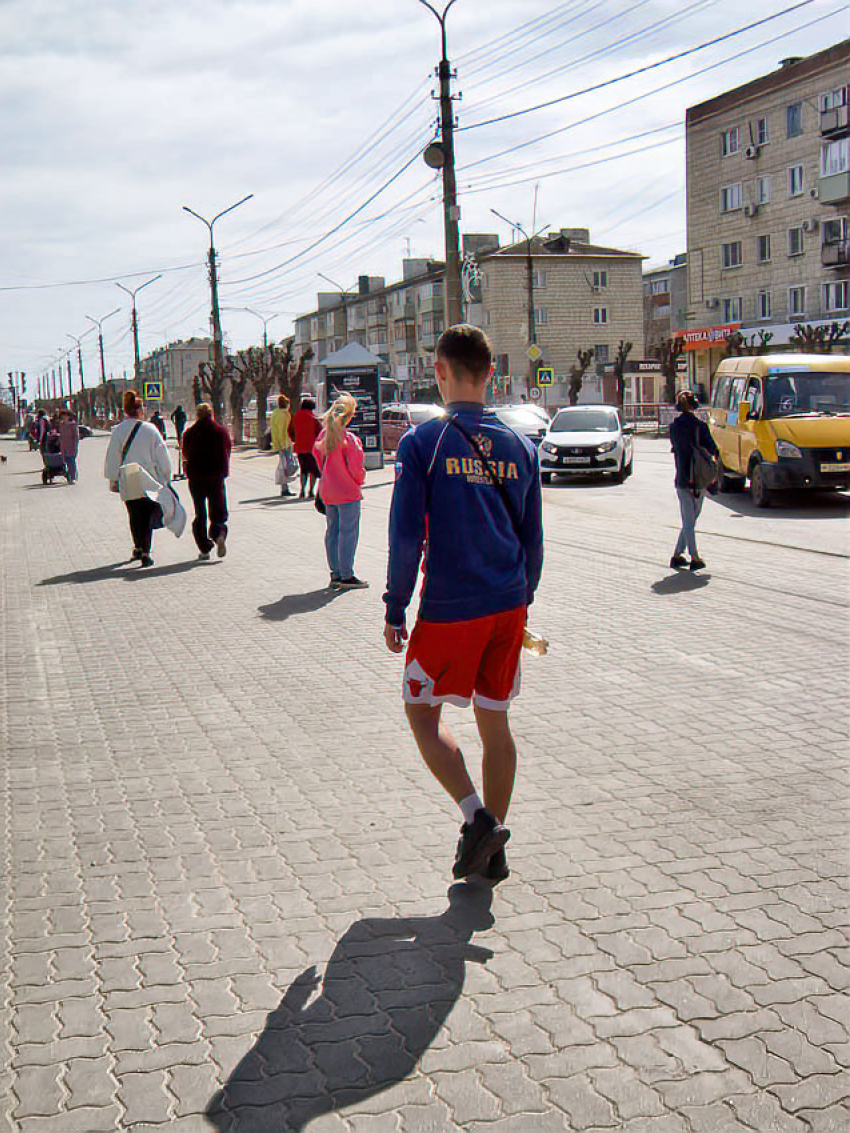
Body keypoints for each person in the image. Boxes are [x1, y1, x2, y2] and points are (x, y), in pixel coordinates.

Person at [383, 325, 544, 885]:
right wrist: (523, 604)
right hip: (508, 604)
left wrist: (394, 606)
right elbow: (533, 538)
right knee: (494, 720)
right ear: (492, 373)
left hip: (452, 606)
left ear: (440, 373)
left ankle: (478, 819)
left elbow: (405, 538)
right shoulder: (522, 445)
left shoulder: (422, 443)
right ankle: (492, 847)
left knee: (421, 713)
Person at [104, 390, 172, 568]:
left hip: (129, 478)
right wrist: (166, 475)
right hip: (149, 478)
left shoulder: (119, 430)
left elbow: (113, 456)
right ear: (140, 409)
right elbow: (161, 454)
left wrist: (113, 479)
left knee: (135, 515)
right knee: (148, 514)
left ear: (125, 410)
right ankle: (146, 551)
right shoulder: (151, 429)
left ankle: (139, 547)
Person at [314, 393, 367, 590]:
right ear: (349, 416)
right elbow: (356, 469)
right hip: (347, 491)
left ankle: (335, 572)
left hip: (328, 491)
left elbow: (319, 461)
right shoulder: (350, 440)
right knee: (349, 532)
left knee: (332, 531)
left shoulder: (323, 437)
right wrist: (360, 480)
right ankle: (347, 574)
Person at [669, 388, 719, 572]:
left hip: (682, 477)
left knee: (688, 520)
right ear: (695, 405)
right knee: (691, 520)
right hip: (698, 478)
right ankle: (695, 557)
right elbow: (713, 449)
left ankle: (677, 555)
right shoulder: (700, 427)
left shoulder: (674, 427)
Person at [181, 403, 232, 561]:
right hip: (216, 477)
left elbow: (186, 453)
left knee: (200, 513)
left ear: (197, 415)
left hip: (196, 478)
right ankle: (219, 534)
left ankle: (204, 547)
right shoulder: (221, 432)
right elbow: (228, 450)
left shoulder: (190, 433)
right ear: (212, 415)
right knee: (218, 510)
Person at [289, 396, 322, 498]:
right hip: (312, 448)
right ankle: (311, 490)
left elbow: (290, 430)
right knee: (314, 470)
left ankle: (302, 490)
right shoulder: (313, 418)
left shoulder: (295, 417)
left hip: (299, 447)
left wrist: (295, 439)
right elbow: (319, 431)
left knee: (304, 469)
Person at [269, 394, 294, 497]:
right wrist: (284, 444)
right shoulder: (283, 415)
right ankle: (284, 488)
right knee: (286, 466)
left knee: (284, 465)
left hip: (279, 443)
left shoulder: (275, 413)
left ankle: (285, 487)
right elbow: (282, 430)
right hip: (284, 443)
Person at [58, 410, 80, 483]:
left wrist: (75, 445)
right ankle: (70, 476)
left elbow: (76, 437)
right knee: (66, 461)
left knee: (71, 461)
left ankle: (73, 477)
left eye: (65, 416)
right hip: (64, 446)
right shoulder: (62, 425)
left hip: (71, 446)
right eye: (62, 416)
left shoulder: (72, 425)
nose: (64, 417)